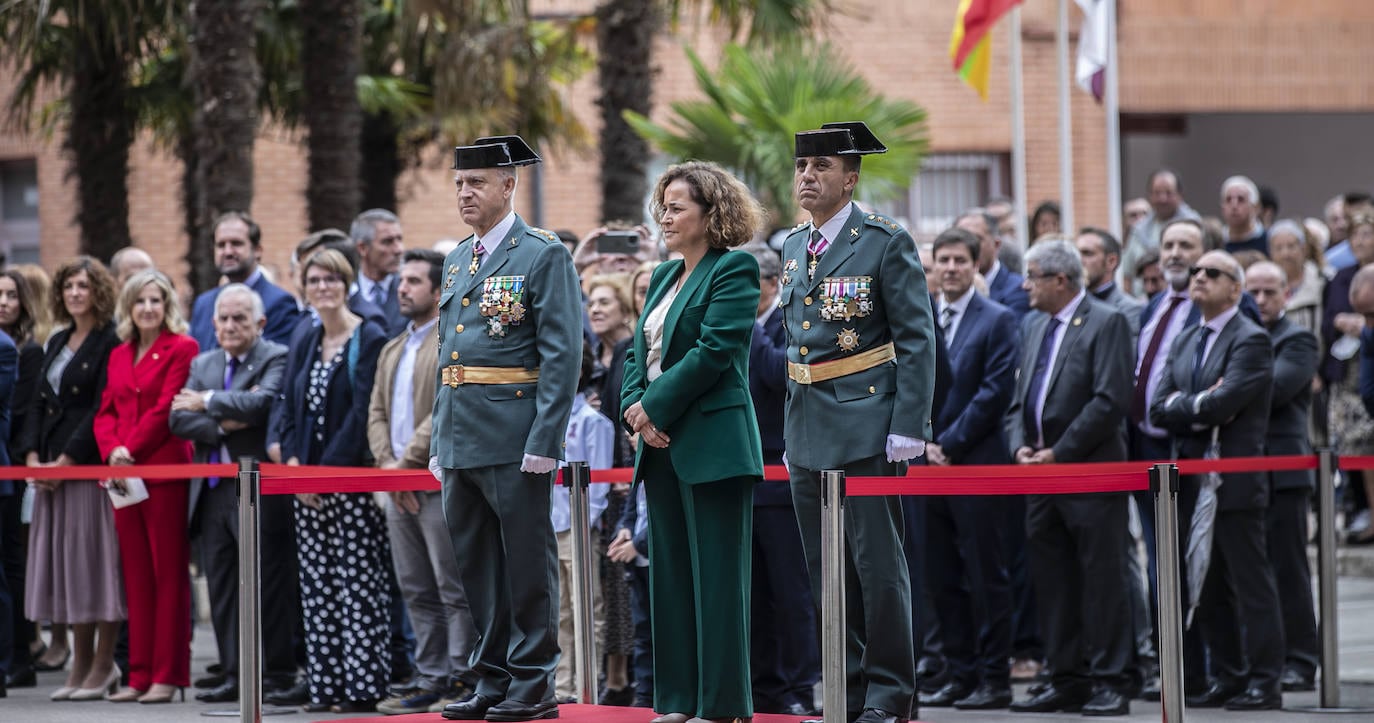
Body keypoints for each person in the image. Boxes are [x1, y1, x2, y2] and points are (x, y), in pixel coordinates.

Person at [783, 121, 936, 723]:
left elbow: (917, 338)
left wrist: (909, 423)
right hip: (806, 423)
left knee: (877, 566)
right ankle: (844, 686)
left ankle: (890, 690)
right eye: (801, 167)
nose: (807, 177)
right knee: (825, 570)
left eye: (821, 168)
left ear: (850, 178)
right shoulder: (794, 245)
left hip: (867, 418)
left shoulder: (883, 240)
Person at [430, 134, 582, 723]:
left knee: (524, 561)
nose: (466, 193)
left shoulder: (541, 253)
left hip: (515, 432)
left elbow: (562, 355)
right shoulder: (456, 257)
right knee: (477, 566)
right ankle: (492, 676)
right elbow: (450, 357)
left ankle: (535, 680)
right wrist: (441, 436)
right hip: (462, 432)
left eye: (478, 183)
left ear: (509, 186)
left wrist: (545, 440)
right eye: (460, 183)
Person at [619, 159, 764, 723]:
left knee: (718, 582)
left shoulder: (735, 270)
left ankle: (721, 705)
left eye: (677, 207)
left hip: (713, 443)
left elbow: (713, 351)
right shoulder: (661, 275)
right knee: (672, 580)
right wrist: (636, 411)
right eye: (663, 206)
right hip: (659, 445)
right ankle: (677, 701)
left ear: (712, 214)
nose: (665, 217)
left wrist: (651, 407)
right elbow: (637, 354)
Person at [1004, 239, 1135, 716]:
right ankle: (1067, 677)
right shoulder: (1034, 323)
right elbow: (1021, 399)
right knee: (1053, 582)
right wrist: (1020, 443)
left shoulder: (1108, 321)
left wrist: (1059, 452)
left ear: (1061, 279)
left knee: (1103, 581)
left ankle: (1112, 678)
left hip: (1089, 473)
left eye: (1033, 275)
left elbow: (1109, 399)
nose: (1025, 285)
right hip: (1040, 477)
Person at [1150, 250, 1283, 711]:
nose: (1199, 277)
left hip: (1235, 479)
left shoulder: (1251, 339)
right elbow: (1157, 406)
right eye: (1196, 272)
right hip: (1189, 477)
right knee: (1203, 581)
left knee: (1250, 583)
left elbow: (1225, 405)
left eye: (1212, 272)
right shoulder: (1187, 338)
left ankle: (1266, 681)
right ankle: (1229, 674)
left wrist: (1191, 403)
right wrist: (1198, 400)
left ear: (1236, 288)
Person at [277, 248, 391, 713]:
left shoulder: (370, 335)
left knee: (357, 587)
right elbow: (289, 404)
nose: (323, 287)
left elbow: (363, 412)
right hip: (306, 487)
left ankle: (362, 688)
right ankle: (327, 688)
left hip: (349, 484)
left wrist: (326, 475)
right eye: (314, 279)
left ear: (347, 285)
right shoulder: (305, 335)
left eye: (331, 280)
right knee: (317, 589)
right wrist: (294, 466)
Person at [168, 284, 294, 704]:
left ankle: (275, 672)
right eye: (222, 318)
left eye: (239, 318)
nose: (229, 326)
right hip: (212, 492)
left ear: (259, 323)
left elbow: (261, 408)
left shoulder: (274, 356)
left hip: (257, 487)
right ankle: (234, 673)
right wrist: (225, 420)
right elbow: (177, 420)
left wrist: (205, 401)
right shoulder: (204, 362)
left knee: (266, 582)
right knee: (222, 584)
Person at [367, 249, 478, 715]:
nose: (403, 288)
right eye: (402, 280)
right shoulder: (393, 347)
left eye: (414, 281)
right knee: (414, 586)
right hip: (397, 486)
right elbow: (375, 412)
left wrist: (403, 466)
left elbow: (443, 412)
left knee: (453, 588)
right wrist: (388, 467)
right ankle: (430, 675)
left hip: (435, 483)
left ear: (437, 290)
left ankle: (463, 675)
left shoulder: (450, 339)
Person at [919, 227, 1018, 711]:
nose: (952, 268)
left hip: (977, 463)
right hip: (926, 467)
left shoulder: (997, 319)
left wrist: (949, 444)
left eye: (960, 260)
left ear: (976, 264)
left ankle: (995, 677)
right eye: (944, 260)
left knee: (986, 573)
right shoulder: (921, 319)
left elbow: (995, 393)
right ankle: (959, 674)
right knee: (941, 574)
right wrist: (926, 445)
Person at [18, 257, 123, 702]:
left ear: (98, 291)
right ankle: (79, 663)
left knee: (94, 571)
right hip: (48, 475)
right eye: (68, 286)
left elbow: (101, 407)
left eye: (83, 285)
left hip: (85, 471)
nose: (75, 293)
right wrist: (33, 458)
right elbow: (38, 403)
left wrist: (66, 461)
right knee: (66, 573)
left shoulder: (110, 340)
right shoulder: (58, 339)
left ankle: (104, 663)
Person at [93, 269, 200, 703]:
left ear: (168, 304)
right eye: (140, 301)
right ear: (128, 307)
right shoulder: (119, 354)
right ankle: (138, 674)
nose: (148, 308)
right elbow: (104, 413)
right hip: (123, 478)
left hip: (163, 471)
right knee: (135, 575)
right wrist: (112, 449)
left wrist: (127, 449)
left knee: (168, 574)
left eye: (156, 300)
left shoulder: (183, 347)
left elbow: (164, 409)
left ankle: (168, 675)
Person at [742, 243, 818, 717]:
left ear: (770, 285)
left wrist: (749, 327)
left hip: (781, 475)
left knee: (791, 593)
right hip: (745, 477)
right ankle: (763, 682)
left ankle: (799, 684)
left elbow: (779, 375)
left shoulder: (783, 323)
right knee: (754, 594)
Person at [1245, 261, 1321, 693]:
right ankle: (1266, 658)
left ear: (1286, 295)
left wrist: (1229, 386)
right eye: (1252, 292)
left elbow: (1273, 390)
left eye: (1269, 292)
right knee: (1256, 573)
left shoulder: (1297, 339)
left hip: (1285, 470)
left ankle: (1301, 659)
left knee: (1289, 569)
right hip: (1246, 469)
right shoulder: (1241, 337)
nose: (1260, 301)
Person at [552, 344, 612, 705]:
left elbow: (600, 483)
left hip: (577, 524)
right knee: (558, 610)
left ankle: (587, 684)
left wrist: (584, 523)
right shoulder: (546, 415)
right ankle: (561, 685)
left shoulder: (593, 422)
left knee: (587, 607)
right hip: (550, 522)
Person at [0, 269, 45, 689]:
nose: (3, 302)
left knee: (11, 564)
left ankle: (19, 655)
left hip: (11, 467)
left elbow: (22, 410)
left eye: (11, 295)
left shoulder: (20, 351)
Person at [1323, 211, 1374, 544]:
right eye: (1355, 236)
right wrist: (1342, 322)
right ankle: (1364, 511)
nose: (1360, 242)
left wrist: (1365, 325)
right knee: (1356, 446)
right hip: (1348, 371)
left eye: (1367, 235)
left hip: (1368, 361)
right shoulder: (1341, 277)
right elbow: (1325, 325)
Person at [189, 211, 302, 350]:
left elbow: (277, 363)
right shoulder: (203, 304)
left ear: (257, 250)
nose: (228, 252)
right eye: (221, 245)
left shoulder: (280, 303)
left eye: (236, 243)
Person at [1122, 170, 1201, 294]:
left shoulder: (1195, 227)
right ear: (1149, 195)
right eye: (1157, 193)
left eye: (1168, 193)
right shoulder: (1138, 230)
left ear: (1180, 195)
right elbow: (1127, 275)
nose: (1162, 198)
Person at [957, 209, 1028, 319]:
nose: (968, 247)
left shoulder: (1018, 289)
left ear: (996, 244)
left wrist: (979, 296)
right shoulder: (946, 288)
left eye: (976, 239)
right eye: (960, 240)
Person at [351, 208, 408, 337]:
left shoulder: (410, 290)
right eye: (387, 242)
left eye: (399, 239)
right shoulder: (346, 294)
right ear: (362, 248)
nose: (398, 249)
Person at [1077, 228, 1144, 336]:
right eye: (1075, 254)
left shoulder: (1130, 310)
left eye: (1087, 253)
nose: (1078, 260)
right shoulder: (1070, 306)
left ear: (1111, 261)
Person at [1219, 176, 1268, 257]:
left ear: (1255, 207)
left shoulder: (1269, 241)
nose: (1234, 205)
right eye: (1228, 200)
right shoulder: (1216, 243)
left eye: (1241, 199)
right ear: (1222, 208)